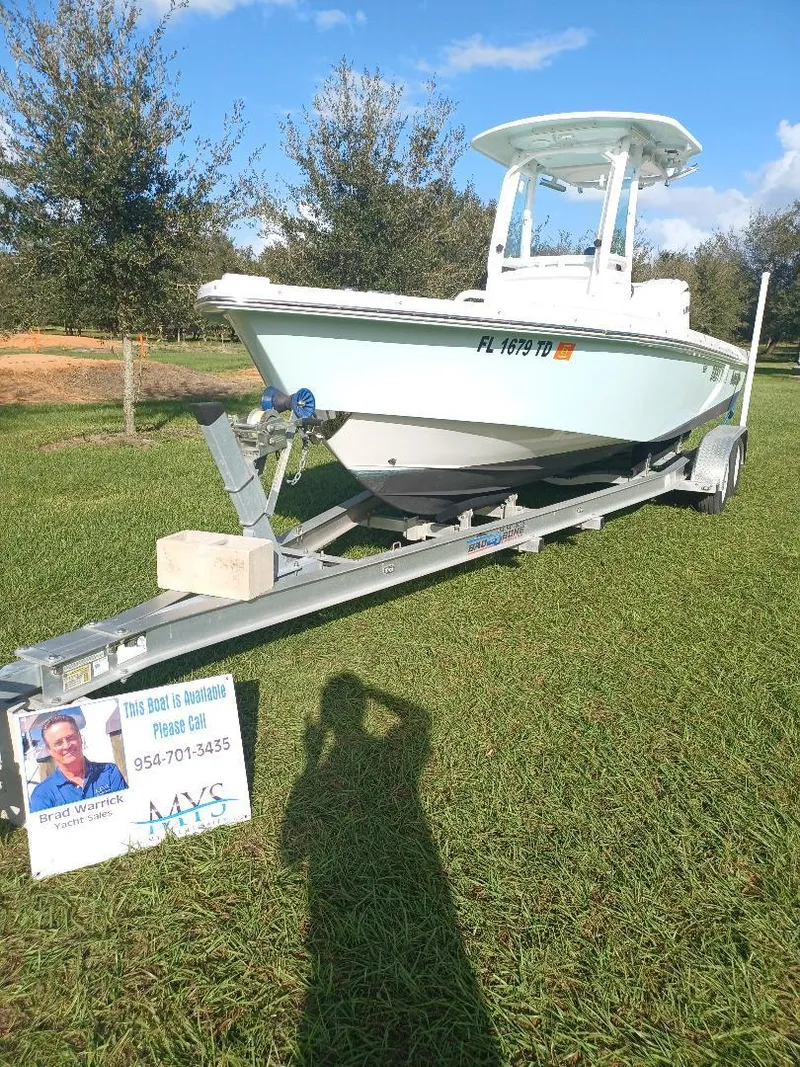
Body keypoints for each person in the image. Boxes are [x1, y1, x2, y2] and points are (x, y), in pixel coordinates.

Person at [28, 713, 128, 813]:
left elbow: (126, 813)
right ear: (49, 750)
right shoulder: (42, 794)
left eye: (70, 738)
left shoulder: (109, 773)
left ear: (80, 738)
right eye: (58, 743)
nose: (66, 746)